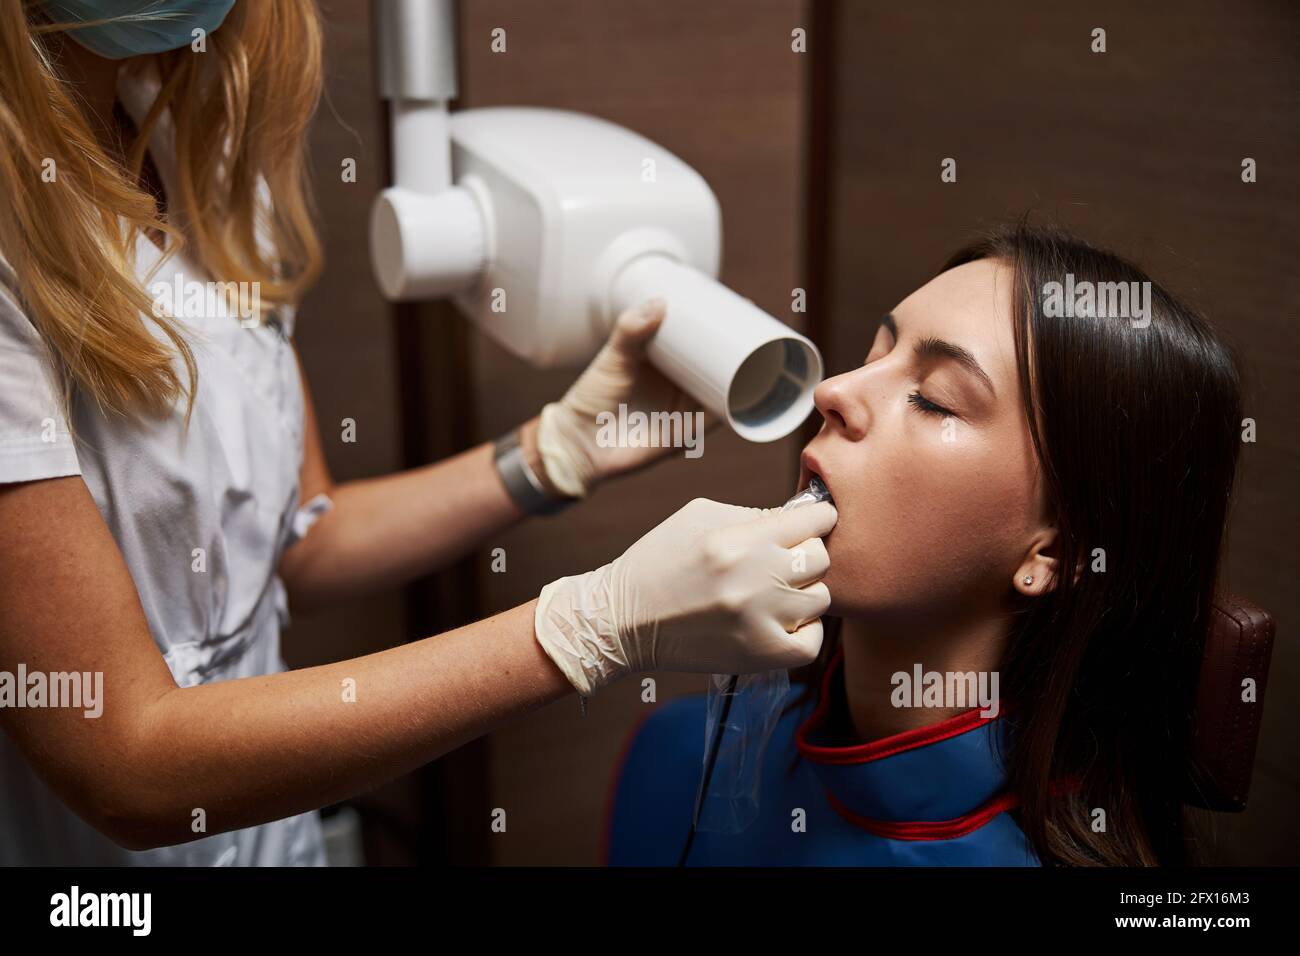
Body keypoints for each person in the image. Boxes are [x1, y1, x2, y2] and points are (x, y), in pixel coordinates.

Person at [0, 1, 836, 865]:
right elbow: (130, 766)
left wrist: (546, 457)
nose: (846, 396)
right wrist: (588, 626)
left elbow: (301, 541)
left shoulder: (191, 141)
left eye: (933, 394)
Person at [607, 222, 1243, 867]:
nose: (833, 392)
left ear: (1055, 554)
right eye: (875, 354)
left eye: (934, 400)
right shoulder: (683, 753)